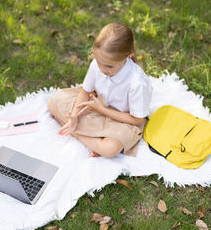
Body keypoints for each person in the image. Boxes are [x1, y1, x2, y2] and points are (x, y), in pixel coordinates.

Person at [47, 22, 152, 157]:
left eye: (109, 66)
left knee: (110, 148)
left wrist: (102, 109)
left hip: (123, 119)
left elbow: (137, 120)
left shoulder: (137, 83)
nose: (102, 69)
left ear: (128, 56)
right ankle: (92, 140)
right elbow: (85, 91)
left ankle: (83, 137)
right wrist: (74, 115)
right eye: (98, 62)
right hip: (97, 105)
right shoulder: (97, 65)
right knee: (54, 101)